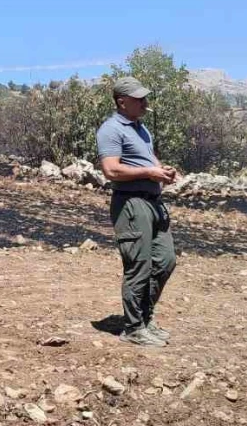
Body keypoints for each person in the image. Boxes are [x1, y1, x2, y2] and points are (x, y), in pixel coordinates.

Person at [95, 76, 178, 348]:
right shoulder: (110, 129)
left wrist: (162, 171)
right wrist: (149, 172)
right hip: (131, 203)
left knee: (165, 261)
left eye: (144, 97)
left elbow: (150, 159)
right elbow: (111, 170)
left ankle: (145, 317)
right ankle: (133, 328)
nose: (145, 102)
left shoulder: (141, 129)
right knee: (139, 265)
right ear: (122, 102)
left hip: (154, 201)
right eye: (139, 99)